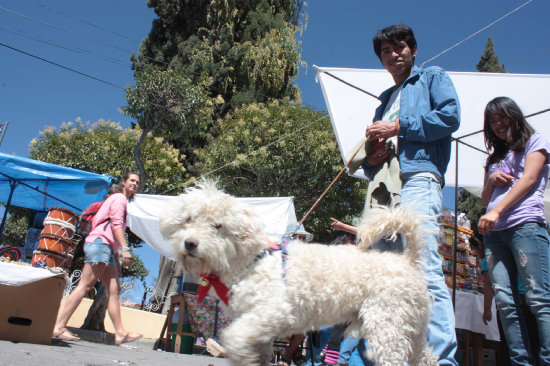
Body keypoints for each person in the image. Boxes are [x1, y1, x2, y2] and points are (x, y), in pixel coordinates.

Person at [362, 23, 461, 365]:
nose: (393, 55)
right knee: (384, 272)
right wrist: (371, 157)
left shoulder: (432, 77)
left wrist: (399, 126)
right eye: (385, 52)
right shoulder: (384, 102)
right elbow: (374, 156)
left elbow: (450, 117)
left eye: (399, 47)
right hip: (384, 187)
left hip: (420, 177)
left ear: (413, 49)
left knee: (422, 264)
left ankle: (441, 358)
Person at [477, 96, 550, 365]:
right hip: (495, 234)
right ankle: (520, 361)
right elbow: (486, 200)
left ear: (514, 115)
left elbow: (530, 179)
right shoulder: (493, 157)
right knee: (505, 302)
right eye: (492, 121)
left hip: (526, 226)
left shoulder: (535, 141)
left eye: (502, 117)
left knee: (539, 298)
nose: (498, 124)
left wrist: (496, 211)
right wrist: (491, 181)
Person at [52, 171, 143, 346]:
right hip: (100, 244)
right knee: (85, 286)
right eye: (132, 180)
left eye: (137, 182)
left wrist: (115, 254)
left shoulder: (119, 200)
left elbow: (113, 228)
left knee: (114, 290)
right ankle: (59, 326)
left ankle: (121, 333)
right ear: (123, 182)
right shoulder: (119, 199)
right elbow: (116, 224)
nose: (135, 184)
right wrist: (124, 249)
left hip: (106, 248)